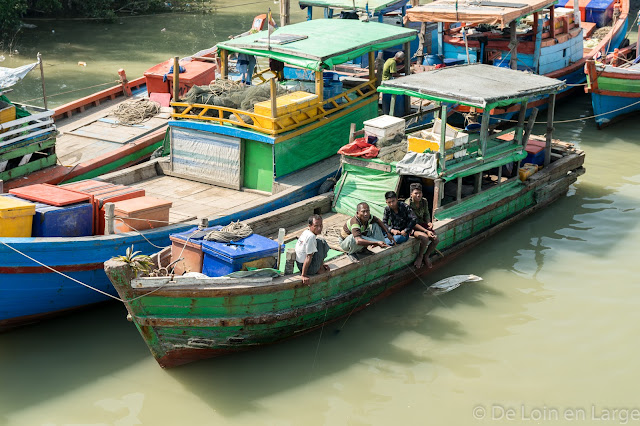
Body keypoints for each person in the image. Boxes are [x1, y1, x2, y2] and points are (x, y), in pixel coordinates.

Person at [405, 184, 440, 268]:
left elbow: (427, 213)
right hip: (411, 227)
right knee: (425, 238)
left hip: (421, 224)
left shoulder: (424, 201)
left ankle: (426, 256)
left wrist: (429, 222)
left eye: (420, 193)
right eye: (416, 193)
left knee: (435, 239)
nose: (418, 195)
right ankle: (420, 256)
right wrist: (426, 231)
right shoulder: (407, 205)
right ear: (411, 194)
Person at [296, 214, 330, 285]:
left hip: (299, 265)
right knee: (322, 243)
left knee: (319, 241)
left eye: (321, 226)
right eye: (316, 226)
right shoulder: (311, 237)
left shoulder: (306, 232)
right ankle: (320, 268)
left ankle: (320, 265)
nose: (319, 228)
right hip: (308, 269)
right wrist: (303, 275)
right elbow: (308, 257)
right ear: (310, 226)